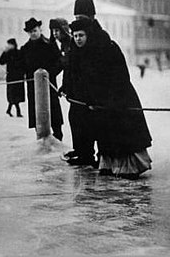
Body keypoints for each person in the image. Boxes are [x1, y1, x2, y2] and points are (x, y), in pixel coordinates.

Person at [65, 17, 152, 179]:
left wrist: (108, 98)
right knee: (107, 134)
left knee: (122, 133)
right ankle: (110, 165)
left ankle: (129, 167)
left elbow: (117, 76)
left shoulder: (107, 47)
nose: (78, 39)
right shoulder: (84, 52)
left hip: (118, 97)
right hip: (102, 102)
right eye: (75, 36)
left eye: (81, 35)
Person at [61, 0, 112, 165]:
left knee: (96, 125)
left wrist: (98, 94)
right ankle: (83, 154)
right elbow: (70, 66)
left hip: (95, 94)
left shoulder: (101, 37)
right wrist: (65, 85)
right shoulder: (76, 37)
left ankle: (100, 157)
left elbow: (104, 70)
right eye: (76, 18)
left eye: (82, 17)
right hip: (78, 93)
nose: (79, 21)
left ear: (92, 16)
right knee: (76, 121)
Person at [20, 18, 64, 140]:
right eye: (30, 32)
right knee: (36, 112)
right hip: (33, 86)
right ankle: (41, 137)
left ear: (40, 29)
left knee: (53, 110)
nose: (33, 34)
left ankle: (58, 135)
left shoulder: (49, 44)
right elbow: (21, 67)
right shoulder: (25, 49)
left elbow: (60, 61)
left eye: (35, 30)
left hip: (49, 84)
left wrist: (50, 74)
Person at [0, 38, 25, 117]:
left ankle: (10, 110)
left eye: (9, 44)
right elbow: (1, 62)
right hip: (11, 77)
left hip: (18, 77)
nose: (8, 46)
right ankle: (16, 111)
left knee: (16, 95)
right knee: (12, 95)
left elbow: (23, 63)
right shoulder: (7, 53)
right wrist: (4, 52)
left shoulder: (19, 53)